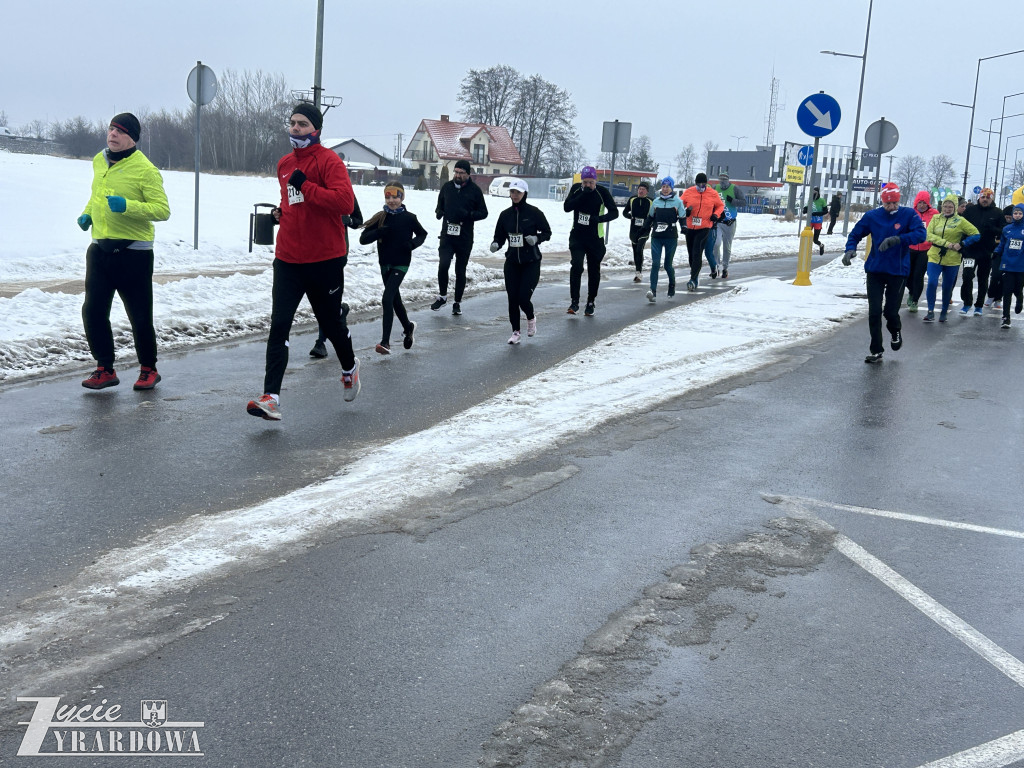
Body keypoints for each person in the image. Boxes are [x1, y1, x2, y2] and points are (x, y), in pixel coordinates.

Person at [246, 103, 360, 421]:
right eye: (292, 123)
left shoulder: (329, 161)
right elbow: (291, 200)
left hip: (324, 259)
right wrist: (281, 215)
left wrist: (306, 186)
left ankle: (350, 367)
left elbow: (344, 202)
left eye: (302, 124)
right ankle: (271, 397)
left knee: (331, 323)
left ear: (316, 130)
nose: (295, 128)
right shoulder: (284, 164)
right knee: (279, 323)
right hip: (287, 259)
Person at [79, 112, 171, 391]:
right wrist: (87, 214)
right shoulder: (99, 160)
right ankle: (104, 368)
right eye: (110, 129)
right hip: (99, 248)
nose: (113, 134)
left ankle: (148, 369)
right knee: (93, 311)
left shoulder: (146, 169)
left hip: (134, 252)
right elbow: (97, 195)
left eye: (120, 131)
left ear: (132, 137)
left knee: (139, 314)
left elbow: (162, 211)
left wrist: (128, 206)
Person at [842, 183, 926, 364]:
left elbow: (921, 234)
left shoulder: (908, 215)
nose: (892, 207)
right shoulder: (872, 216)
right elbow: (855, 234)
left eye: (895, 203)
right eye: (888, 204)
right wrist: (850, 250)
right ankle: (876, 350)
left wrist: (898, 239)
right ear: (882, 202)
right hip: (875, 270)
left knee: (890, 311)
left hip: (898, 271)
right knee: (874, 311)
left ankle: (895, 331)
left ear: (899, 200)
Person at [359, 183, 426, 354]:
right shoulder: (380, 218)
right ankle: (408, 327)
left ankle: (385, 342)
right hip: (385, 264)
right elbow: (363, 239)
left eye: (395, 197)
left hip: (401, 263)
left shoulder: (410, 218)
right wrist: (379, 232)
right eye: (388, 197)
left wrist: (412, 244)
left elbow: (422, 234)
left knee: (387, 299)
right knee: (395, 300)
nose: (391, 201)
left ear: (402, 197)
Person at [489, 178, 551, 343]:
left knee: (523, 297)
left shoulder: (534, 212)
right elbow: (499, 236)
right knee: (512, 298)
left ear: (524, 194)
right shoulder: (505, 215)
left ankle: (531, 318)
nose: (515, 195)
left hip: (531, 261)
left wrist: (536, 238)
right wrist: (496, 243)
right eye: (512, 192)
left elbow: (547, 232)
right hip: (512, 262)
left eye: (518, 192)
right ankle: (515, 332)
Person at [430, 159, 488, 316]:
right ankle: (442, 297)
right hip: (447, 234)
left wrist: (469, 215)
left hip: (464, 236)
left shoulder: (474, 190)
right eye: (456, 172)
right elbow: (439, 205)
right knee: (443, 265)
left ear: (468, 174)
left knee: (460, 270)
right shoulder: (447, 187)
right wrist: (439, 212)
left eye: (461, 173)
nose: (458, 175)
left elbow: (484, 212)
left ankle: (457, 302)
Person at [309, 197, 363, 358]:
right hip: (313, 252)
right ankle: (340, 311)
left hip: (337, 252)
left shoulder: (345, 192)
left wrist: (347, 220)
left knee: (324, 299)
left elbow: (358, 221)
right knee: (321, 298)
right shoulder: (311, 190)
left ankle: (321, 342)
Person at [563, 165, 618, 315]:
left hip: (595, 238)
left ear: (595, 181)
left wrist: (599, 219)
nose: (587, 185)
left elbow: (614, 212)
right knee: (576, 266)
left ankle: (591, 301)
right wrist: (582, 194)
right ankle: (574, 302)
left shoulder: (602, 192)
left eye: (590, 183)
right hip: (577, 236)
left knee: (594, 270)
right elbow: (567, 207)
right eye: (585, 182)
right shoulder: (576, 189)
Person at [923, 193, 980, 323]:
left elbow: (976, 234)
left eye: (950, 207)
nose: (947, 209)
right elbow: (928, 235)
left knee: (947, 286)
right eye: (945, 206)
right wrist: (946, 243)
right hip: (935, 255)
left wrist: (962, 244)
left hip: (952, 258)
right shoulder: (936, 218)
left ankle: (944, 311)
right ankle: (930, 311)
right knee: (932, 282)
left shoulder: (960, 221)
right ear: (942, 206)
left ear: (954, 208)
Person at [959, 188, 1004, 316]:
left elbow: (1002, 231)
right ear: (979, 198)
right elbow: (961, 228)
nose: (985, 200)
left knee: (983, 279)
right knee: (967, 276)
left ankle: (979, 305)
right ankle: (967, 303)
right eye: (983, 197)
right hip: (970, 251)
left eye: (988, 198)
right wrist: (963, 244)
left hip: (986, 252)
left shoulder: (998, 213)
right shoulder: (970, 211)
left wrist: (992, 229)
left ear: (992, 199)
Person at [680, 173, 725, 291]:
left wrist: (715, 215)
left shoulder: (712, 193)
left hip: (705, 226)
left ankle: (693, 279)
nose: (701, 186)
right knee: (691, 254)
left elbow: (720, 206)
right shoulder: (689, 192)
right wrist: (686, 212)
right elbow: (680, 205)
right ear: (695, 183)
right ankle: (694, 273)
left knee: (697, 251)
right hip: (690, 227)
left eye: (703, 184)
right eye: (698, 184)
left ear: (706, 183)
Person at [646, 176, 687, 302]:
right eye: (663, 186)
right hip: (657, 236)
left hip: (670, 237)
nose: (665, 189)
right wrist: (644, 228)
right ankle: (652, 291)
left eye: (668, 187)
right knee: (655, 263)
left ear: (672, 188)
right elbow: (650, 217)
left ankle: (672, 285)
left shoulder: (677, 202)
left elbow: (682, 217)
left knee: (668, 264)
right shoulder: (656, 202)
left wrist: (684, 227)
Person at [905, 191, 936, 312]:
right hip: (911, 248)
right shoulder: (911, 214)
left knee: (918, 275)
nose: (921, 205)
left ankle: (915, 300)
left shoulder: (934, 214)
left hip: (925, 249)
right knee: (907, 275)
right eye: (919, 203)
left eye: (924, 203)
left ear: (928, 203)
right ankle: (912, 292)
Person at [994, 203, 1024, 328]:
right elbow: (1002, 244)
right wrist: (996, 252)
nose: (1017, 215)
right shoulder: (1007, 229)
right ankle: (1006, 318)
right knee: (1007, 291)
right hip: (1007, 263)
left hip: (1021, 265)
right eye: (1015, 213)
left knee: (1017, 289)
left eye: (1020, 213)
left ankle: (1019, 300)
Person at [713, 171, 746, 278]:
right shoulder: (715, 188)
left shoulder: (734, 189)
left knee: (727, 247)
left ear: (728, 180)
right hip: (718, 222)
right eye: (721, 180)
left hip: (730, 222)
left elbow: (744, 202)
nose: (722, 183)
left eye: (724, 181)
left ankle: (725, 268)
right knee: (716, 244)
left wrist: (733, 201)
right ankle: (716, 266)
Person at [622, 181, 653, 283]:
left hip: (645, 230)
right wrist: (629, 216)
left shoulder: (651, 201)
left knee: (640, 249)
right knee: (636, 252)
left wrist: (650, 223)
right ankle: (637, 272)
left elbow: (654, 215)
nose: (641, 191)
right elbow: (624, 212)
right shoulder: (632, 199)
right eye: (639, 189)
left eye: (643, 189)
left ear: (647, 191)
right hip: (633, 230)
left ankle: (639, 273)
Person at [803, 187, 827, 255]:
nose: (813, 194)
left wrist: (817, 213)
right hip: (810, 221)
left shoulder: (822, 200)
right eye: (812, 192)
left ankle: (821, 245)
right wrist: (805, 210)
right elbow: (806, 207)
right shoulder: (810, 199)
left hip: (818, 221)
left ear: (818, 193)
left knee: (815, 240)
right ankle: (807, 251)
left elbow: (826, 211)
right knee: (807, 237)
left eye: (815, 192)